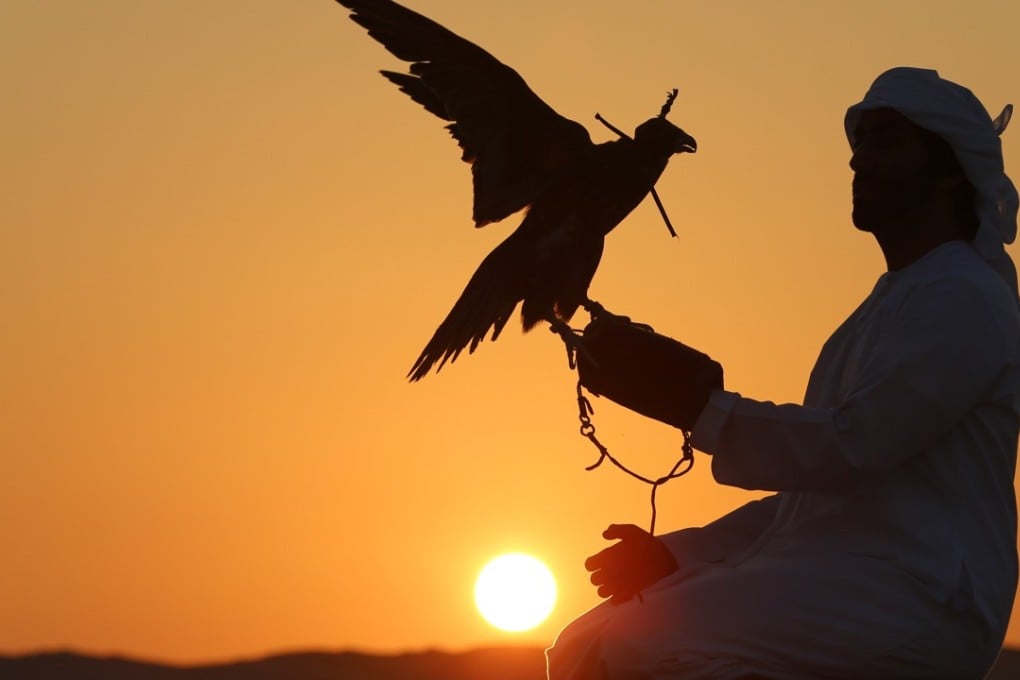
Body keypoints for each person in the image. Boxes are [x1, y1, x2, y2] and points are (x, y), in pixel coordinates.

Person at [546, 67, 1020, 679]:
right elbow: (810, 505)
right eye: (859, 144)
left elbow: (854, 447)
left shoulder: (965, 296)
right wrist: (675, 553)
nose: (860, 162)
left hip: (924, 591)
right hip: (844, 575)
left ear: (953, 170)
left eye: (887, 142)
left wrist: (703, 409)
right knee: (584, 641)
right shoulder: (881, 309)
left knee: (632, 648)